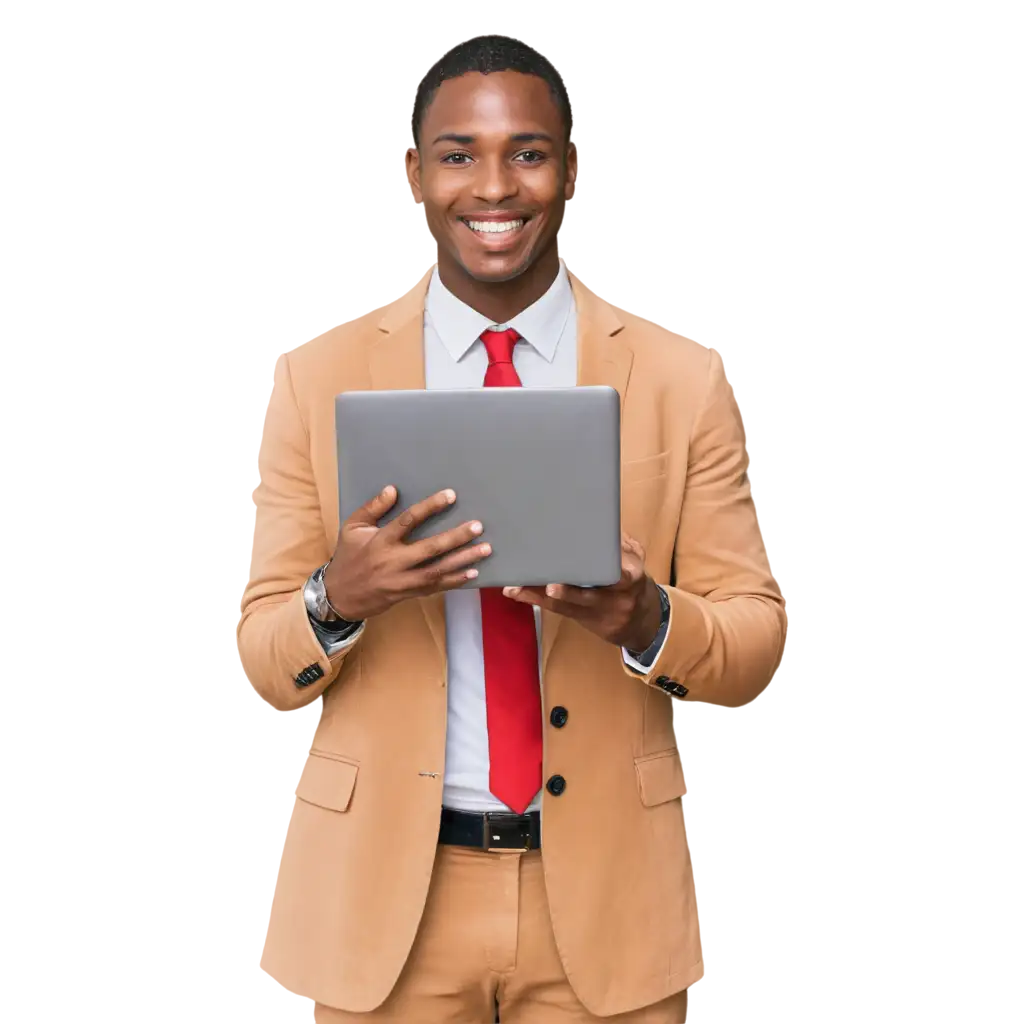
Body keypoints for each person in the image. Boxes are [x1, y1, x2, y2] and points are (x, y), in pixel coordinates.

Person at [234, 33, 786, 1024]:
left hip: (607, 906)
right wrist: (336, 599)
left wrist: (642, 616)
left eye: (527, 153)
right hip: (385, 903)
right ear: (413, 172)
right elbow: (263, 659)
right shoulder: (316, 377)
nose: (495, 188)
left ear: (570, 167)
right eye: (458, 154)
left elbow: (753, 643)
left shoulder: (676, 379)